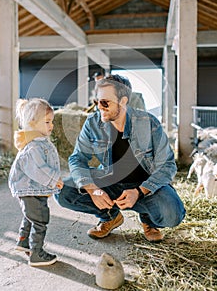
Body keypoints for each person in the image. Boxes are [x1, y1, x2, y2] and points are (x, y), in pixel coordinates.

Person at [55, 74, 186, 243]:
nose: (99, 107)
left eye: (105, 102)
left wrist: (139, 191)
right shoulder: (92, 123)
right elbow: (77, 159)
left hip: (144, 186)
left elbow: (167, 166)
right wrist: (92, 189)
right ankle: (109, 217)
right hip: (110, 181)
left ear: (123, 101)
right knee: (62, 191)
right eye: (97, 102)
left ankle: (148, 220)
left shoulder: (149, 123)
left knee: (172, 214)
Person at [9, 98, 63, 267]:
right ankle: (37, 254)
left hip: (31, 189)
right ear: (32, 123)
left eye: (51, 122)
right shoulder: (33, 147)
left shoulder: (38, 142)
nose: (51, 126)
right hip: (29, 189)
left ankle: (23, 241)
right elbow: (39, 169)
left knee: (31, 215)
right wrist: (55, 180)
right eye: (47, 122)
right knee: (40, 219)